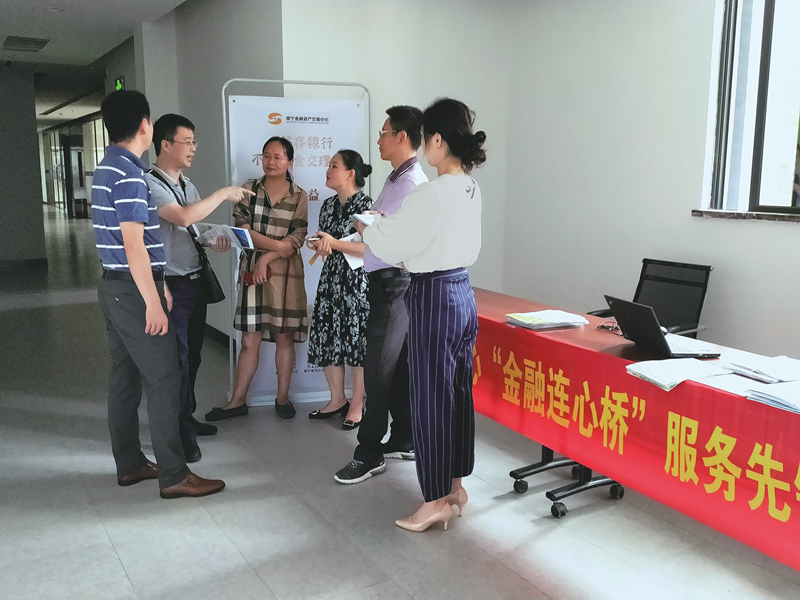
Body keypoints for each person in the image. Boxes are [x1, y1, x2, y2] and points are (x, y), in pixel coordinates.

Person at [355, 98, 486, 531]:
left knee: (430, 400)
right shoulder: (470, 187)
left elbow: (391, 243)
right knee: (457, 395)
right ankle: (455, 487)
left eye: (427, 137)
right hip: (463, 293)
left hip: (433, 296)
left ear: (437, 140)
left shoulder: (432, 192)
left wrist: (367, 226)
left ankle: (433, 501)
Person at [92, 90, 225, 499]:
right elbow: (134, 244)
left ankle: (130, 463)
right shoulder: (131, 176)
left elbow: (135, 243)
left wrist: (160, 282)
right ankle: (174, 474)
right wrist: (152, 300)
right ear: (145, 126)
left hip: (115, 286)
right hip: (133, 290)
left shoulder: (107, 166)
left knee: (125, 379)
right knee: (165, 379)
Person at [146, 114, 253, 462]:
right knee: (175, 359)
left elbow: (191, 227)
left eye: (194, 142)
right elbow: (182, 217)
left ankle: (186, 417)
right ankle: (178, 431)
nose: (193, 148)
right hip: (170, 284)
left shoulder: (187, 184)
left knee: (192, 355)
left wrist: (213, 238)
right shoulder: (151, 184)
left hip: (193, 280)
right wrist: (223, 194)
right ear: (165, 144)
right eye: (187, 142)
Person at [333, 105, 428, 484]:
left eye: (384, 132)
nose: (379, 139)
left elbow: (393, 238)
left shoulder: (413, 183)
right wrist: (371, 226)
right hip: (383, 281)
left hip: (394, 283)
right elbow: (378, 225)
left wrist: (368, 228)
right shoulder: (395, 178)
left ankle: (368, 452)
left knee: (376, 370)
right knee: (397, 366)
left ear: (402, 137)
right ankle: (404, 436)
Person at [205, 137, 309, 421]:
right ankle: (237, 401)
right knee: (250, 339)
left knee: (284, 337)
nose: (270, 162)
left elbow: (298, 236)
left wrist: (267, 257)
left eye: (277, 157)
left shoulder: (300, 196)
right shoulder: (248, 190)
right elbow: (244, 232)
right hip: (254, 273)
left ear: (290, 162)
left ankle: (283, 398)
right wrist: (276, 248)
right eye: (266, 156)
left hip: (286, 276)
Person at [306, 150, 373, 429]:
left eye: (334, 166)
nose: (328, 170)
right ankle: (336, 399)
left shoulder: (367, 206)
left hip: (357, 282)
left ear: (350, 174)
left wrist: (333, 243)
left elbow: (369, 248)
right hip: (331, 279)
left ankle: (357, 404)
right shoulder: (328, 205)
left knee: (356, 343)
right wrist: (319, 245)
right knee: (327, 337)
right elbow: (327, 243)